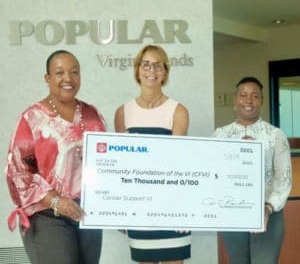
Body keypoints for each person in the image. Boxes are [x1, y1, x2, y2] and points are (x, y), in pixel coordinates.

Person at [5, 50, 106, 264]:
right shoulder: (32, 118)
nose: (68, 79)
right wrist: (56, 200)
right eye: (59, 72)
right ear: (47, 78)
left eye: (74, 72)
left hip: (87, 215)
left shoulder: (92, 114)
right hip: (48, 215)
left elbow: (107, 163)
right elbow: (18, 172)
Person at [114, 45, 191, 264]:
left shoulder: (178, 110)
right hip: (139, 205)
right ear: (137, 70)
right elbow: (121, 166)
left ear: (165, 72)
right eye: (146, 64)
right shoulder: (123, 112)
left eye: (158, 65)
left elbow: (180, 164)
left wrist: (184, 207)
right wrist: (118, 209)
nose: (151, 70)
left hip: (172, 205)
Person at [213, 77, 292, 264]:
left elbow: (283, 178)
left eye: (255, 96)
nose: (249, 101)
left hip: (268, 217)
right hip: (233, 215)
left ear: (262, 102)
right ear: (235, 99)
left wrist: (267, 208)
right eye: (243, 95)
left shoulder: (275, 135)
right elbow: (214, 175)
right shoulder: (220, 135)